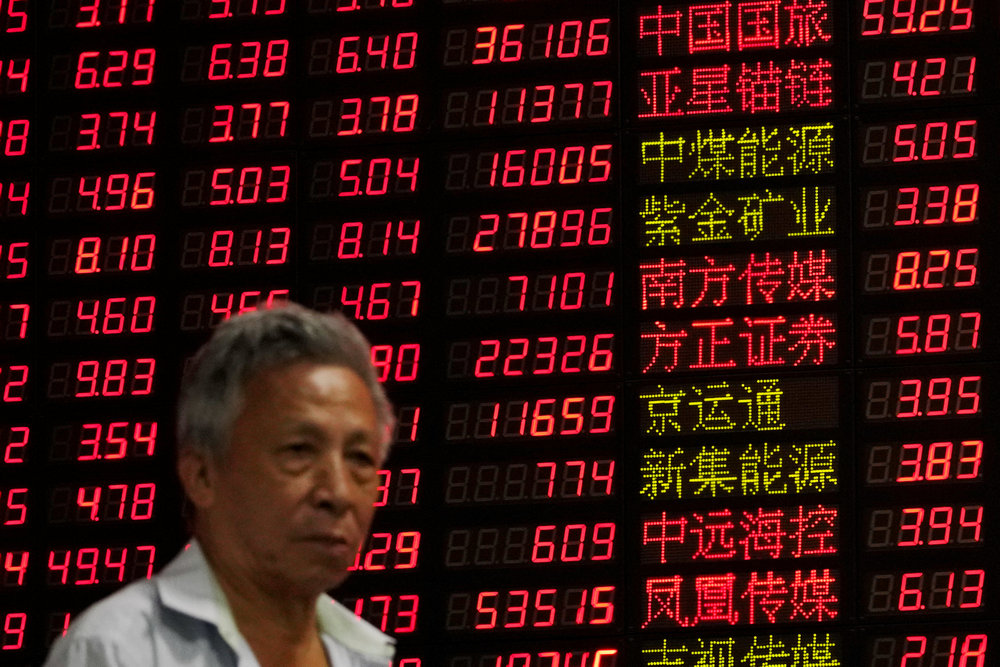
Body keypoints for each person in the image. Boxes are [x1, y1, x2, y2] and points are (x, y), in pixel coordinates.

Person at [45, 303, 397, 667]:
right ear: (202, 476)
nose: (338, 493)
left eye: (360, 458)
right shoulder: (117, 651)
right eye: (299, 451)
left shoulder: (367, 659)